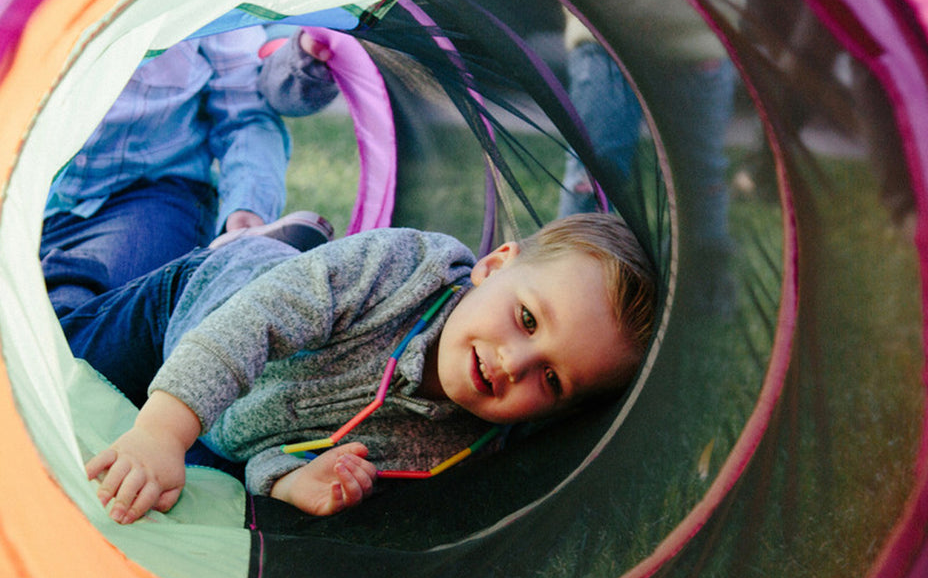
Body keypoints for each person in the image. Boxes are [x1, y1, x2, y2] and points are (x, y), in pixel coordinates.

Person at [70, 211, 657, 523]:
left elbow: (286, 443)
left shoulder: (454, 448)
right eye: (527, 319)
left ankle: (291, 239)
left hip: (236, 426)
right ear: (496, 264)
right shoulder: (401, 267)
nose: (513, 363)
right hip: (198, 306)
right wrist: (159, 433)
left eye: (552, 380)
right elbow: (253, 323)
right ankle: (267, 239)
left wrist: (287, 480)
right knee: (59, 358)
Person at [0, 0, 340, 313]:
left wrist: (247, 209)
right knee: (4, 318)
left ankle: (223, 266)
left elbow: (243, 111)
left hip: (148, 196)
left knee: (120, 304)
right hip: (25, 201)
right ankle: (206, 280)